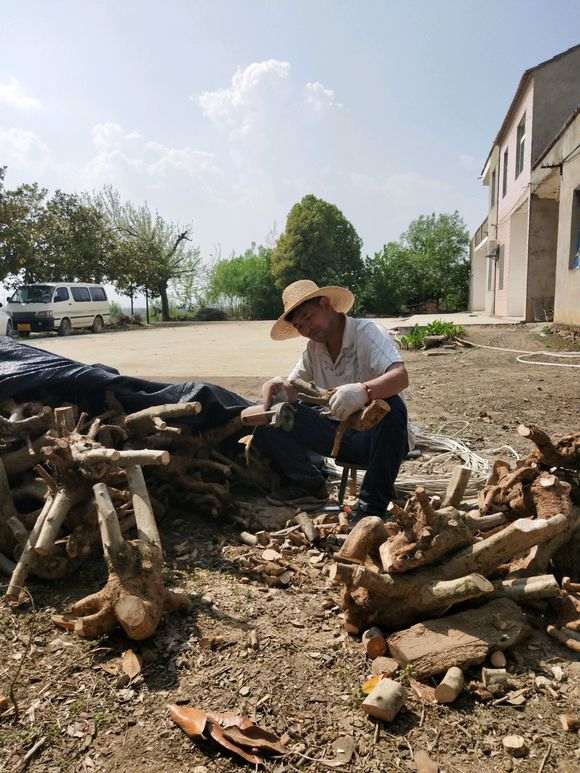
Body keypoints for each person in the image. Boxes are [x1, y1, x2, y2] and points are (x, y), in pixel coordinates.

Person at [253, 279, 409, 519]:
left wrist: (363, 391)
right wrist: (274, 390)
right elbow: (294, 388)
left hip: (381, 441)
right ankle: (308, 484)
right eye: (299, 325)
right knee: (280, 414)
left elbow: (400, 377)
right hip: (341, 438)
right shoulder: (314, 349)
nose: (307, 328)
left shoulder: (365, 332)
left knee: (392, 406)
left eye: (308, 317)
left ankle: (370, 507)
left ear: (326, 304)